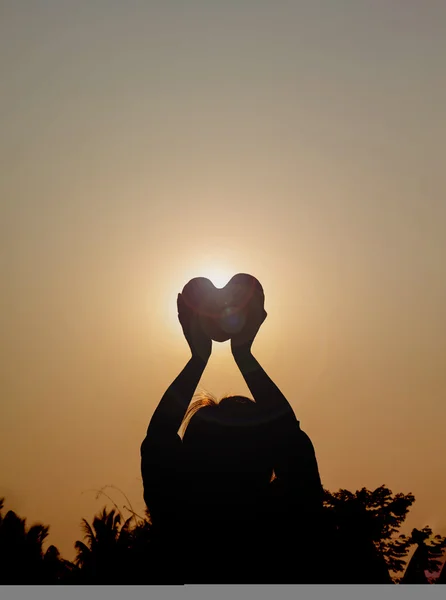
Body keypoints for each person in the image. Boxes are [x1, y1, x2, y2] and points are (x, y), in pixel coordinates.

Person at [140, 279, 324, 583]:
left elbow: (158, 438)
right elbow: (292, 439)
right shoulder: (282, 522)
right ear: (267, 458)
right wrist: (244, 354)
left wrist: (199, 358)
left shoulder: (181, 522)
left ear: (188, 459)